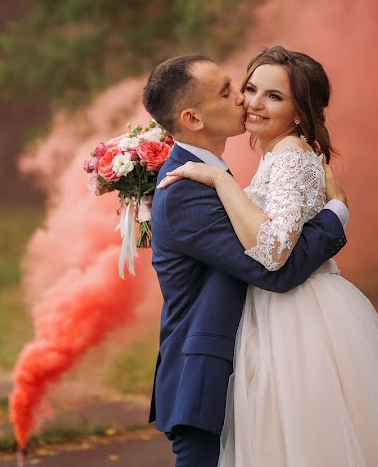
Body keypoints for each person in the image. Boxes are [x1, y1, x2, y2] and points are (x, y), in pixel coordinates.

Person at [159, 46, 378, 466]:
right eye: (249, 88)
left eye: (273, 96)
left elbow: (273, 256)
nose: (250, 101)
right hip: (271, 316)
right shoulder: (265, 161)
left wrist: (224, 183)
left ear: (299, 111)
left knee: (308, 438)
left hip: (299, 316)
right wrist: (335, 211)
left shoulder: (290, 158)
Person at [141, 53, 349, 467]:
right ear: (193, 119)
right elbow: (275, 269)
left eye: (245, 87)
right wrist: (336, 213)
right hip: (204, 380)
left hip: (240, 367)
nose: (244, 99)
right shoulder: (186, 190)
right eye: (230, 91)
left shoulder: (212, 173)